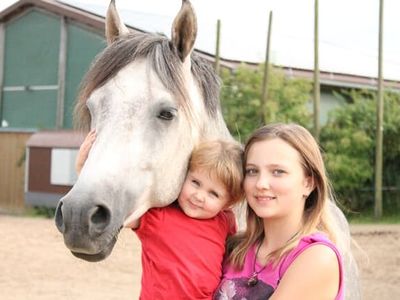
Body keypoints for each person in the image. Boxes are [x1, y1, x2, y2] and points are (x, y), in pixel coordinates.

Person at [76, 131, 244, 299]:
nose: (199, 196)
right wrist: (82, 170)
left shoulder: (225, 222)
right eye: (195, 182)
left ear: (228, 203)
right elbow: (113, 210)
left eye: (213, 194)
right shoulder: (156, 216)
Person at [213, 123, 345, 300]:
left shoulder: (317, 257)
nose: (261, 183)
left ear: (308, 183)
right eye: (252, 171)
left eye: (278, 172)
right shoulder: (235, 248)